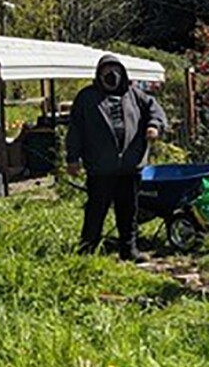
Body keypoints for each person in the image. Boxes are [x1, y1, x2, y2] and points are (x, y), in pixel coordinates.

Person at [66, 55, 168, 261]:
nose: (111, 74)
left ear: (123, 72)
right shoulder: (86, 98)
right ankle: (87, 250)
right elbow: (75, 129)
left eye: (115, 69)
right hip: (100, 167)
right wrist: (72, 158)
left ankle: (128, 250)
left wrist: (154, 126)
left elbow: (155, 110)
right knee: (96, 210)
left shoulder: (134, 95)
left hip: (130, 166)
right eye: (106, 70)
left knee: (128, 211)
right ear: (98, 74)